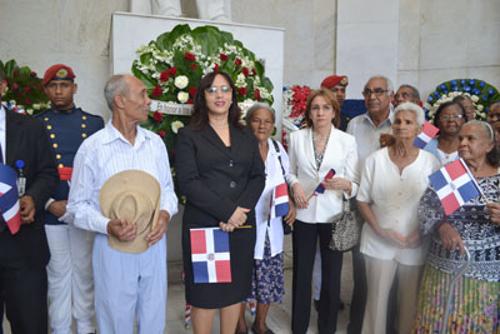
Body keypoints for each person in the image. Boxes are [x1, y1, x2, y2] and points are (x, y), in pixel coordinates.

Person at [64, 74, 178, 333]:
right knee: (115, 319)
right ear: (120, 101)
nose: (148, 101)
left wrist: (164, 214)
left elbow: (168, 191)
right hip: (112, 250)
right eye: (142, 94)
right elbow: (76, 207)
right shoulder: (92, 148)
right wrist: (108, 226)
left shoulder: (155, 144)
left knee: (153, 316)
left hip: (154, 245)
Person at [175, 71, 265, 334]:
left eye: (225, 89)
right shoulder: (189, 135)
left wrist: (239, 213)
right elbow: (188, 184)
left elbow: (258, 177)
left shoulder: (245, 135)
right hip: (206, 227)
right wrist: (228, 212)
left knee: (233, 292)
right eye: (212, 90)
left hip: (240, 228)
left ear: (232, 96)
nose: (219, 95)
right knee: (205, 295)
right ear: (203, 96)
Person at [356, 102, 440, 334]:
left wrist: (421, 233)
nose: (401, 126)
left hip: (414, 242)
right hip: (378, 241)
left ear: (419, 129)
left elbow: (438, 205)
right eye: (398, 122)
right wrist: (380, 230)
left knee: (409, 304)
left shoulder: (431, 162)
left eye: (408, 122)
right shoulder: (375, 160)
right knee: (376, 302)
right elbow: (362, 200)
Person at [35, 64, 104, 334]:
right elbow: (29, 170)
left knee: (85, 274)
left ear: (74, 88)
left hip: (83, 210)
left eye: (64, 85)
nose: (59, 91)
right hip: (51, 209)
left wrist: (82, 205)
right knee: (58, 275)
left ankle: (86, 327)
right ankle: (60, 328)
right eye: (53, 85)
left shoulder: (94, 122)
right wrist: (49, 202)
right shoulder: (36, 123)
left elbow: (100, 170)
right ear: (46, 89)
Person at [414, 120, 500, 333]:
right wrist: (442, 226)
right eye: (461, 138)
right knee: (436, 321)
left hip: (485, 271)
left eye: (471, 139)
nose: (462, 143)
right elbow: (425, 210)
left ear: (489, 145)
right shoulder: (450, 173)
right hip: (443, 266)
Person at [289, 88, 359, 334]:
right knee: (302, 271)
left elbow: (355, 181)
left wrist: (347, 185)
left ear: (334, 112)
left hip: (333, 214)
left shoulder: (346, 140)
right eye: (315, 107)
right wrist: (295, 184)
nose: (320, 112)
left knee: (332, 274)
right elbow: (291, 171)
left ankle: (327, 327)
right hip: (304, 212)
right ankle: (298, 325)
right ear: (309, 111)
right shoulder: (297, 137)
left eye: (325, 108)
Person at [0, 69, 58, 333]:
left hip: (23, 247)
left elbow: (48, 173)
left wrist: (33, 198)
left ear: (2, 87)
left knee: (31, 325)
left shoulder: (31, 127)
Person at [235, 103, 296, 334]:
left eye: (267, 121)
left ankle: (260, 324)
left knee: (268, 280)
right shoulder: (239, 148)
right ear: (247, 123)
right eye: (256, 120)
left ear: (273, 126)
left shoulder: (278, 149)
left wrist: (290, 199)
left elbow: (286, 178)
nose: (262, 125)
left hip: (272, 228)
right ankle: (239, 326)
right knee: (242, 279)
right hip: (246, 225)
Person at [345, 75, 394, 334]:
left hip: (393, 209)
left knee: (391, 269)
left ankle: (388, 322)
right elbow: (349, 165)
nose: (372, 97)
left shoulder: (401, 122)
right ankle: (359, 321)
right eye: (367, 92)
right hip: (360, 205)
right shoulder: (354, 124)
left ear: (390, 95)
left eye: (378, 91)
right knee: (361, 267)